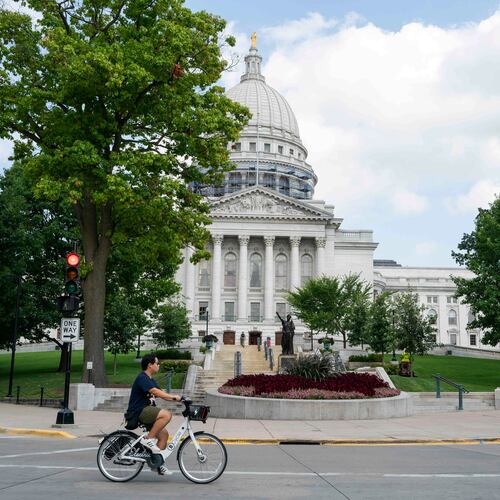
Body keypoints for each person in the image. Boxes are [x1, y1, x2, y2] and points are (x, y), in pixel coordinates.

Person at [126, 353, 181, 475]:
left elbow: (161, 393)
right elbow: (154, 391)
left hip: (146, 411)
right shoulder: (142, 378)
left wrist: (180, 399)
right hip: (139, 411)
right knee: (166, 415)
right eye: (157, 363)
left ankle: (157, 464)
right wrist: (173, 396)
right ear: (150, 365)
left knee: (164, 436)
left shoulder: (150, 379)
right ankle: (148, 439)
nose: (159, 365)